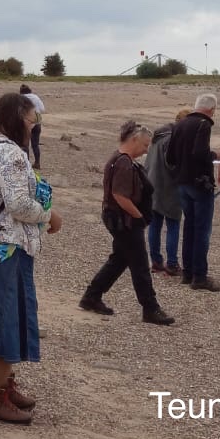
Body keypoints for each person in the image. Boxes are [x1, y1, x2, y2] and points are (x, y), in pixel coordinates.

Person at [0, 92, 62, 424]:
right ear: (20, 119)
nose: (34, 128)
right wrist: (49, 217)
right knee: (2, 319)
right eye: (33, 121)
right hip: (4, 247)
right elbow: (18, 205)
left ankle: (4, 385)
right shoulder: (12, 155)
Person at [80, 122, 175, 324]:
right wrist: (139, 217)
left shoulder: (121, 159)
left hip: (119, 219)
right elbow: (120, 195)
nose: (145, 150)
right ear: (133, 140)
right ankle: (150, 308)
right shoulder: (123, 162)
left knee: (119, 260)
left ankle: (91, 296)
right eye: (144, 145)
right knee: (139, 265)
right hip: (125, 221)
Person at [165, 92, 220, 290]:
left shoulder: (180, 124)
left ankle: (188, 273)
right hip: (199, 183)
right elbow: (199, 152)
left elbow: (170, 156)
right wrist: (214, 155)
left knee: (189, 227)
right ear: (211, 109)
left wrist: (179, 172)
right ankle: (199, 276)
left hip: (182, 183)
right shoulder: (203, 124)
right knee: (202, 230)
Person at [144, 111, 186, 277]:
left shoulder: (158, 136)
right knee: (173, 225)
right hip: (168, 188)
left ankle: (156, 261)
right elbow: (173, 164)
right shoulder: (171, 139)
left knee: (155, 225)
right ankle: (172, 264)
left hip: (153, 184)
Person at [20, 83, 46, 169]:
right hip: (37, 122)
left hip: (27, 123)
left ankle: (26, 165)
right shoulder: (36, 97)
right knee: (35, 144)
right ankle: (37, 162)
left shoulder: (21, 98)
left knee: (25, 144)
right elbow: (42, 109)